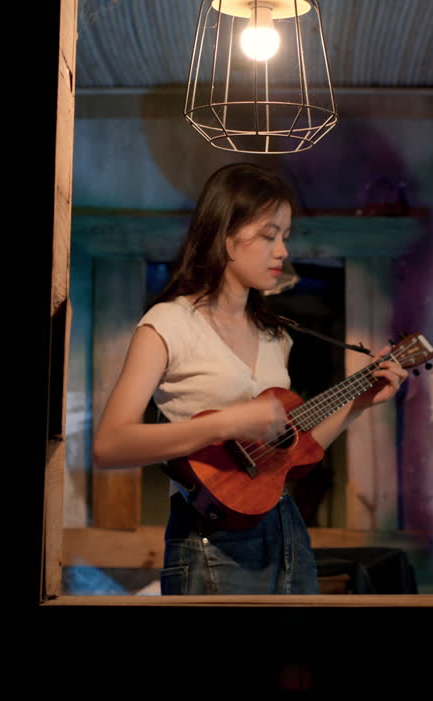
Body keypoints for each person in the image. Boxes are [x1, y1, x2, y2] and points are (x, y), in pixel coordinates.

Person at [92, 162, 407, 594]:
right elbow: (110, 445)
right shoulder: (168, 324)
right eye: (268, 235)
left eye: (285, 238)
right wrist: (227, 423)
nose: (282, 251)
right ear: (224, 236)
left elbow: (293, 452)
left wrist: (362, 402)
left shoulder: (276, 335)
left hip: (286, 531)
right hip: (208, 537)